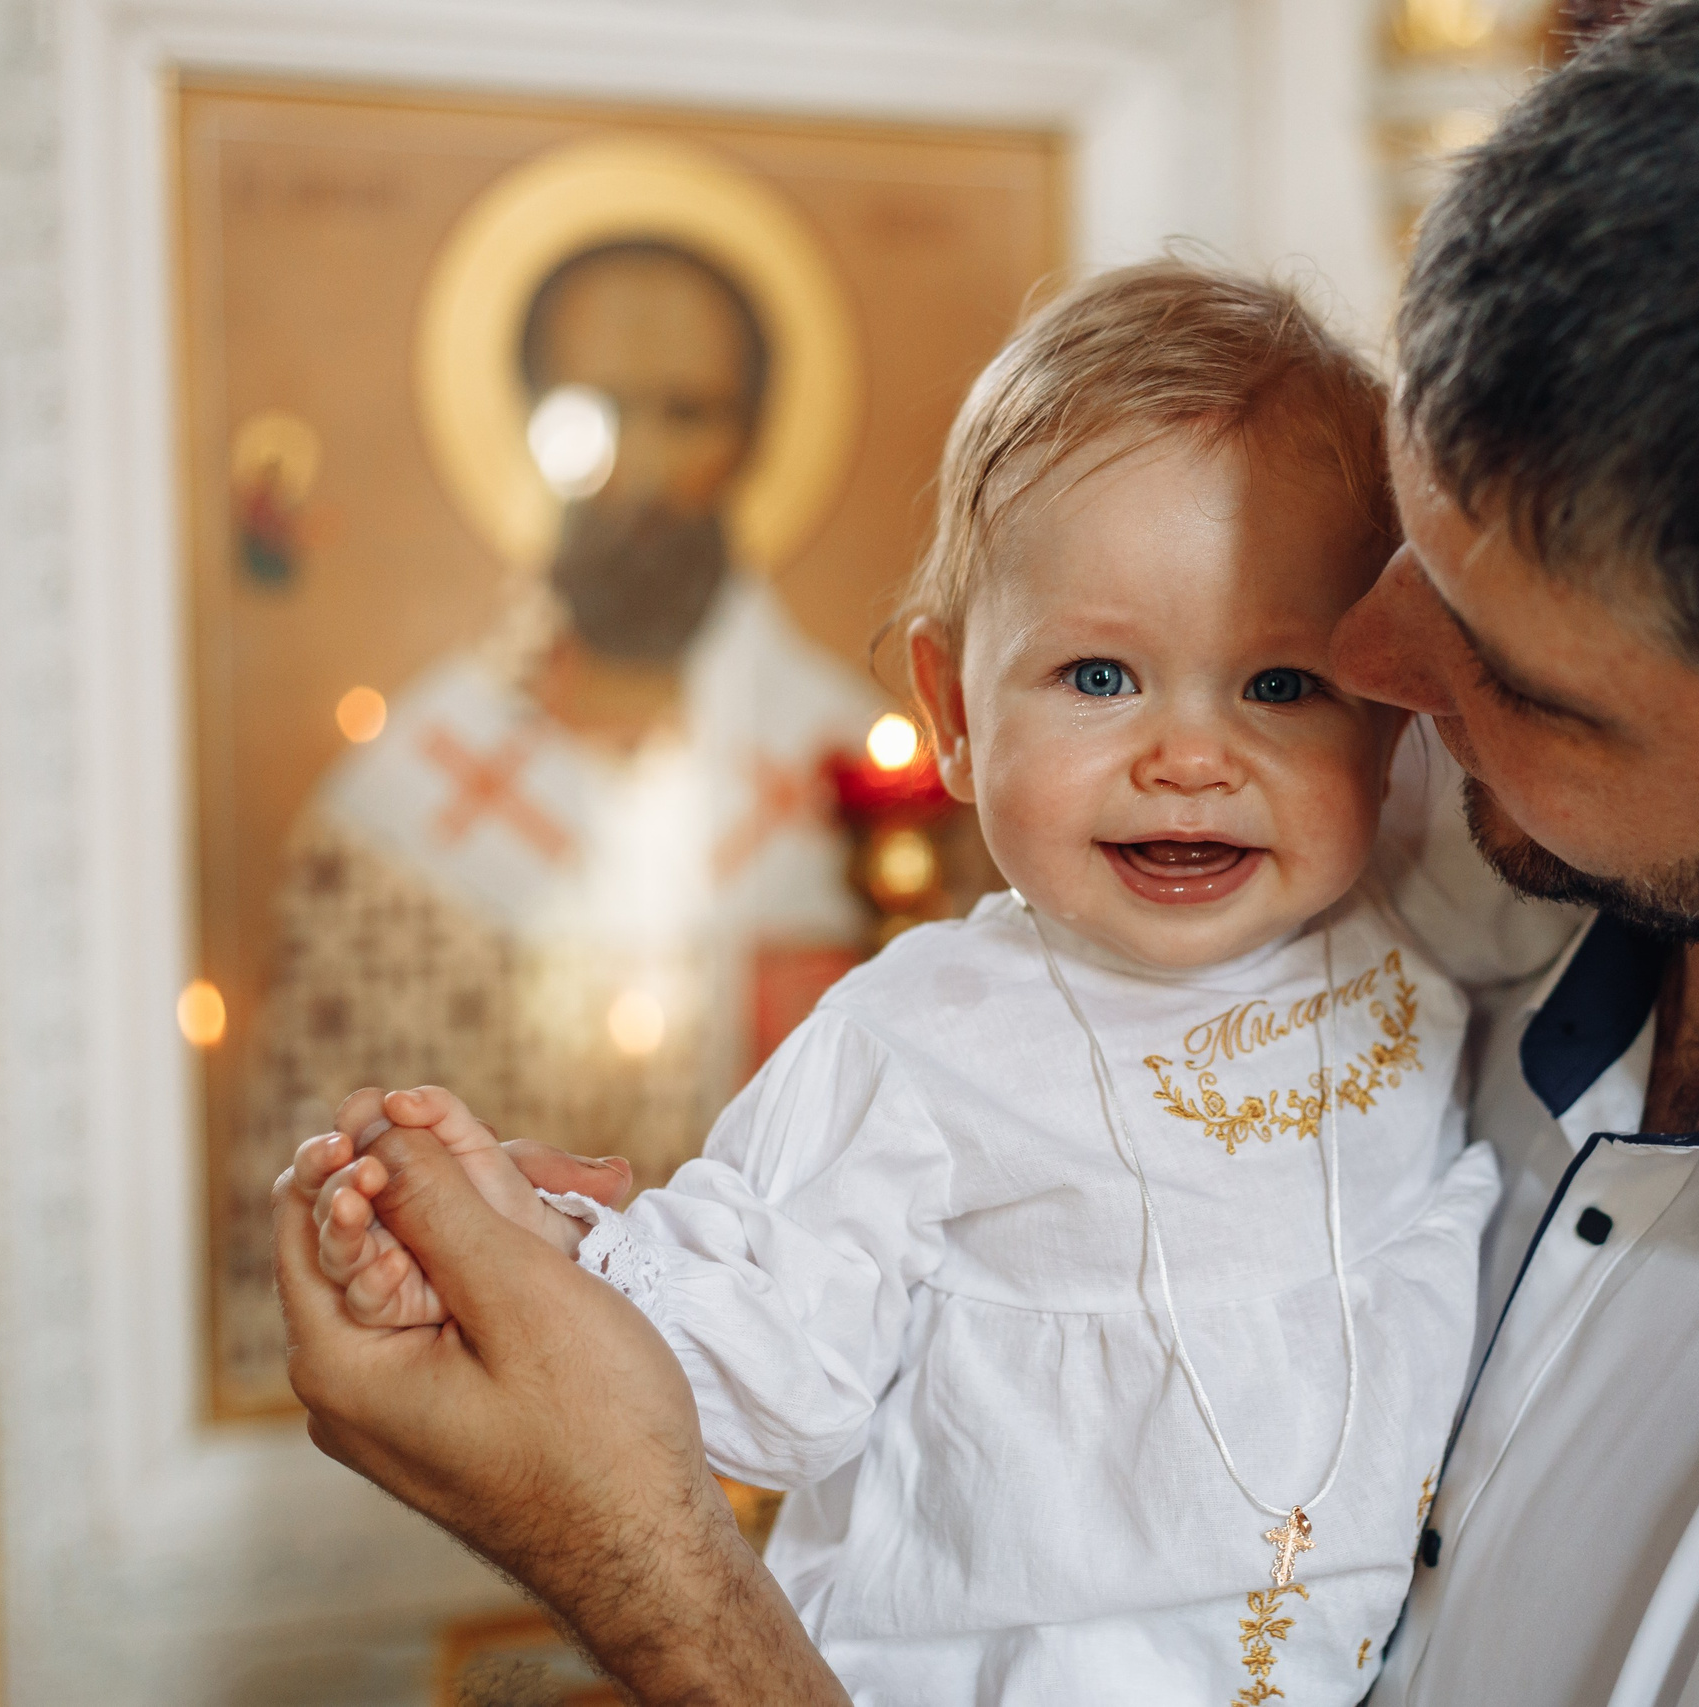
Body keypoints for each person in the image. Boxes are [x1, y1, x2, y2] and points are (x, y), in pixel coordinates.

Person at [278, 2, 1699, 1701]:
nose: (1351, 676)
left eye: (1514, 673)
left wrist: (664, 1577)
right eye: (1408, 556)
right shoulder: (1475, 884)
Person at [296, 264, 1572, 1701]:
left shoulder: (1411, 911)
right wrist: (509, 1249)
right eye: (1100, 676)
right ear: (957, 711)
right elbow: (751, 1360)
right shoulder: (925, 1038)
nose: (1191, 756)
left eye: (1280, 684)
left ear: (1394, 711)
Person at [223, 240, 884, 1408]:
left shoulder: (859, 780)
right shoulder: (396, 809)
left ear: (757, 438)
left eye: (689, 412)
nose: (638, 464)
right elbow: (292, 1221)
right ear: (523, 424)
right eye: (595, 411)